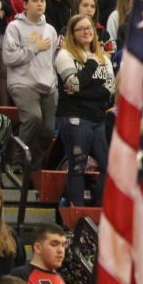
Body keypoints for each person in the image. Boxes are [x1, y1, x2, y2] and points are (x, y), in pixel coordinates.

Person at [54, 15, 114, 207]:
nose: (87, 31)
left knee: (109, 166)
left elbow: (110, 90)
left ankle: (100, 209)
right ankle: (77, 215)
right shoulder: (65, 55)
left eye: (89, 28)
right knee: (78, 165)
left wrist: (81, 90)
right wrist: (91, 66)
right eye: (81, 29)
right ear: (72, 34)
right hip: (74, 117)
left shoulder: (104, 57)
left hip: (97, 119)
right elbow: (74, 83)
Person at [2, 0, 56, 169]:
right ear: (25, 4)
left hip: (48, 85)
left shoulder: (50, 29)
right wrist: (34, 48)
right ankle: (18, 157)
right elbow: (9, 57)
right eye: (35, 1)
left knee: (48, 129)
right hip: (22, 83)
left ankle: (33, 161)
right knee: (34, 117)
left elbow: (52, 60)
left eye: (42, 0)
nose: (40, 4)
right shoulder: (14, 27)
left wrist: (54, 82)